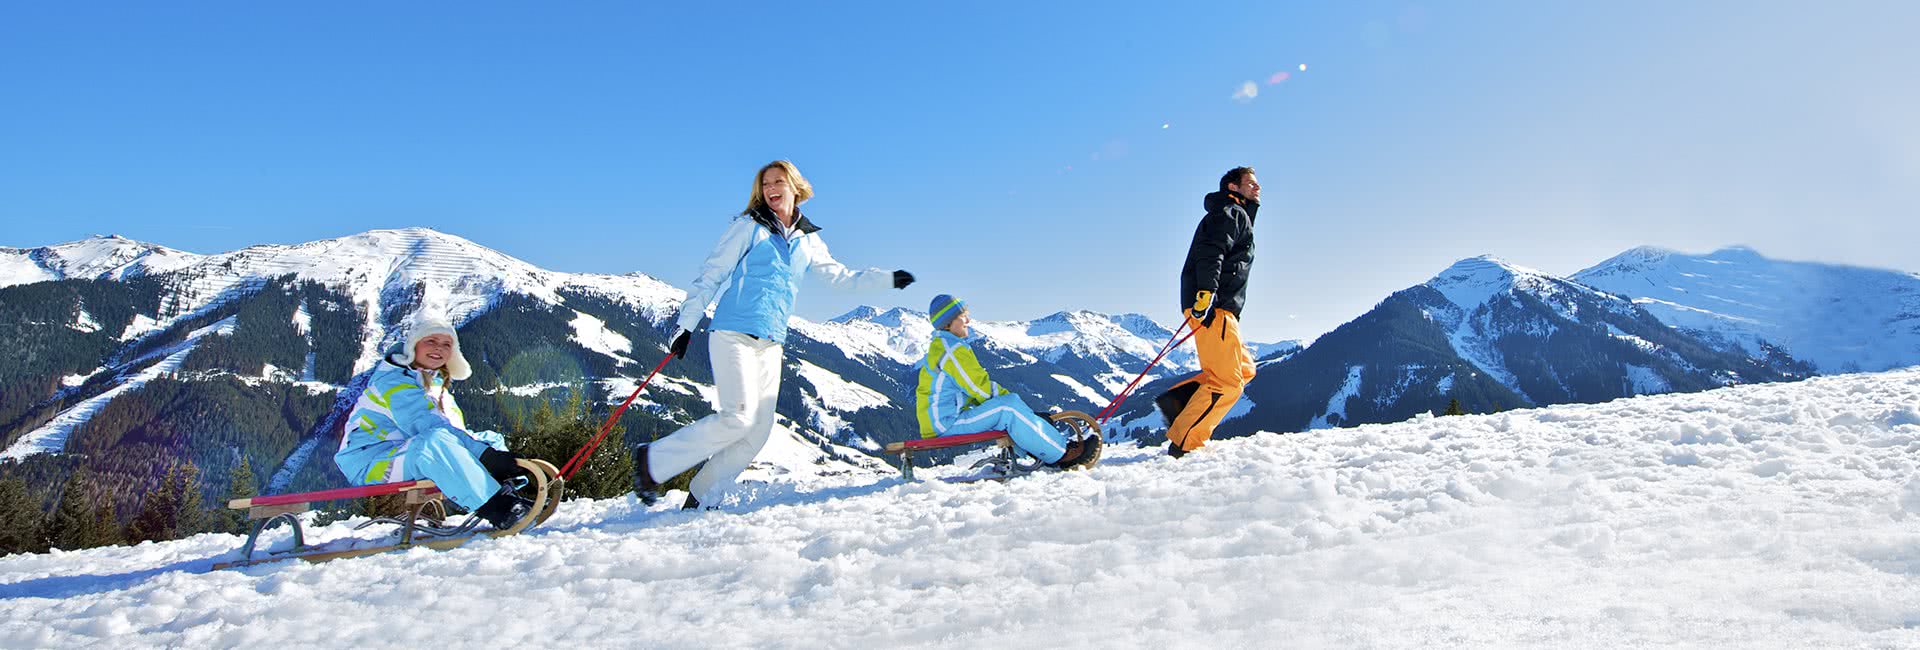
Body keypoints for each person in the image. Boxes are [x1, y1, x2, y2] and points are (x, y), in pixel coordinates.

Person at [634, 160, 914, 509]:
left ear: (795, 187)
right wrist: (686, 325)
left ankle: (702, 496)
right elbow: (711, 275)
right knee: (737, 418)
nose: (770, 189)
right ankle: (652, 462)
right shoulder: (748, 227)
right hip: (732, 333)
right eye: (765, 184)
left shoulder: (808, 238)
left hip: (771, 342)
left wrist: (886, 279)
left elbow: (839, 278)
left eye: (778, 181)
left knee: (756, 433)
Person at [335, 314, 537, 530]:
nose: (438, 348)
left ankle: (505, 492)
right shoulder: (393, 382)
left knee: (487, 438)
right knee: (433, 442)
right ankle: (498, 508)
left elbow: (454, 430)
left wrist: (487, 450)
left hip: (402, 453)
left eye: (446, 344)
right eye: (430, 341)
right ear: (413, 346)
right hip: (370, 463)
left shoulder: (433, 381)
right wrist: (485, 456)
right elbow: (430, 426)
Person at [915, 294, 1099, 469]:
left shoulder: (945, 346)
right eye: (963, 317)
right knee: (1008, 407)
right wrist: (1017, 405)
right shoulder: (951, 350)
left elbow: (969, 390)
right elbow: (978, 387)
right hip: (945, 423)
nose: (968, 321)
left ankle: (1040, 447)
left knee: (1010, 405)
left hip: (945, 419)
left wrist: (1026, 413)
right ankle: (1062, 455)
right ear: (949, 323)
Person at [1157, 166, 1262, 458]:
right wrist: (1206, 293)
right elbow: (1211, 252)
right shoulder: (1230, 213)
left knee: (1243, 370)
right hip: (1213, 307)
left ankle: (1177, 404)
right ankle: (1185, 443)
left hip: (1219, 307)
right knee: (1226, 382)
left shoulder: (1237, 215)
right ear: (1233, 186)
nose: (1257, 188)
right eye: (1251, 184)